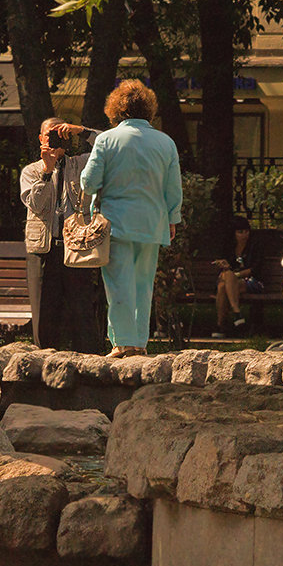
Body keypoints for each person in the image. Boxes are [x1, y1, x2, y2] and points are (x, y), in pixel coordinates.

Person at [80, 80, 182, 358]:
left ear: (116, 109)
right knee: (142, 284)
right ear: (148, 108)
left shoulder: (107, 140)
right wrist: (173, 219)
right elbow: (173, 188)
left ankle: (122, 343)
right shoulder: (165, 142)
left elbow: (89, 183)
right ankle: (139, 343)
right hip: (153, 223)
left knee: (118, 285)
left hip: (115, 223)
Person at [20, 117, 91, 349]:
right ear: (41, 139)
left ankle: (88, 368)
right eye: (49, 134)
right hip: (43, 250)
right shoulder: (31, 171)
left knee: (83, 317)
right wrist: (47, 171)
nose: (53, 139)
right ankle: (42, 366)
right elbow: (36, 205)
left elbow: (111, 148)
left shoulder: (81, 164)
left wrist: (80, 131)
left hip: (76, 249)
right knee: (43, 317)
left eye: (59, 134)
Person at [211, 216, 262, 338]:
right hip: (231, 281)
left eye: (246, 232)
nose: (244, 235)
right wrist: (224, 265)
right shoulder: (229, 247)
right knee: (224, 285)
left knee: (224, 284)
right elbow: (225, 266)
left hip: (252, 281)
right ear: (233, 233)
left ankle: (222, 324)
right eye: (240, 232)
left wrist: (235, 275)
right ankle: (236, 313)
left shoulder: (255, 246)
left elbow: (255, 269)